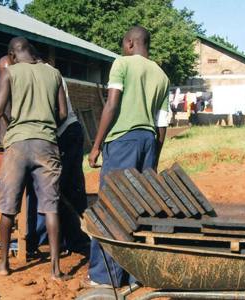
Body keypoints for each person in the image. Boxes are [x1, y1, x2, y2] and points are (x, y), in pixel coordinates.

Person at [87, 26, 170, 287]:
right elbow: (162, 122)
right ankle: (135, 275)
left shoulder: (121, 63)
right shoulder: (162, 75)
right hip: (148, 141)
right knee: (139, 207)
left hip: (123, 140)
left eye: (124, 43)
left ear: (131, 43)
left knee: (111, 206)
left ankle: (104, 277)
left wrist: (96, 145)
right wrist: (154, 157)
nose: (123, 47)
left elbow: (112, 104)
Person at [0, 37, 68, 280]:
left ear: (12, 55)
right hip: (46, 143)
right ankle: (56, 270)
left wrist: (13, 122)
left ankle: (4, 264)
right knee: (51, 207)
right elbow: (63, 113)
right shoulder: (54, 73)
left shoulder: (10, 72)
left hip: (17, 144)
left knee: (8, 206)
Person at [26, 60, 89, 254]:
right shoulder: (46, 72)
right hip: (65, 133)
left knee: (56, 187)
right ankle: (66, 239)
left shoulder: (47, 74)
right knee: (65, 187)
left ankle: (68, 239)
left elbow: (59, 112)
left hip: (65, 133)